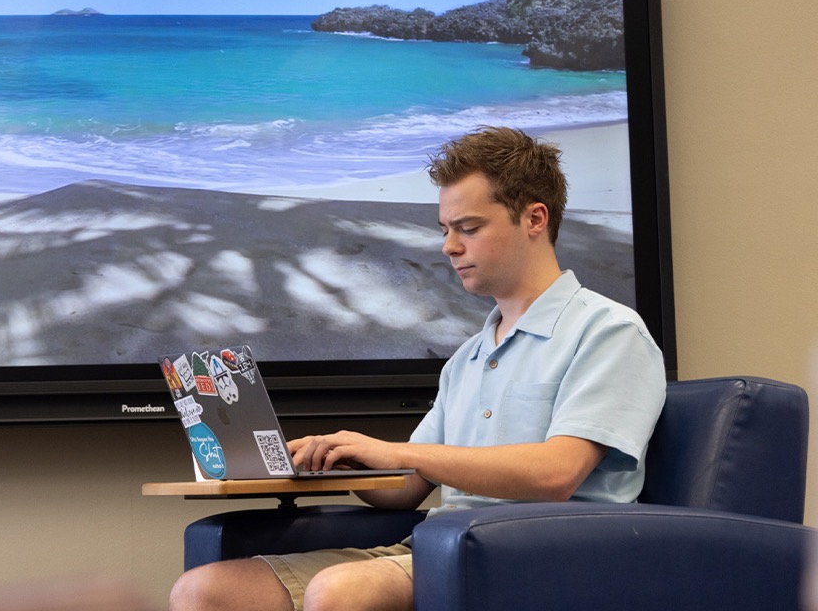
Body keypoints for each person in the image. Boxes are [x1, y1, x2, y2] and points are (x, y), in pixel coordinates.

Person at [168, 126, 667, 611]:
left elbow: (556, 474)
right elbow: (407, 490)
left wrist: (396, 450)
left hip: (545, 555)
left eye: (469, 228)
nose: (449, 246)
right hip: (437, 549)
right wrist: (347, 457)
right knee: (204, 592)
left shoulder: (609, 331)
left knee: (342, 592)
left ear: (534, 219)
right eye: (446, 230)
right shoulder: (467, 358)